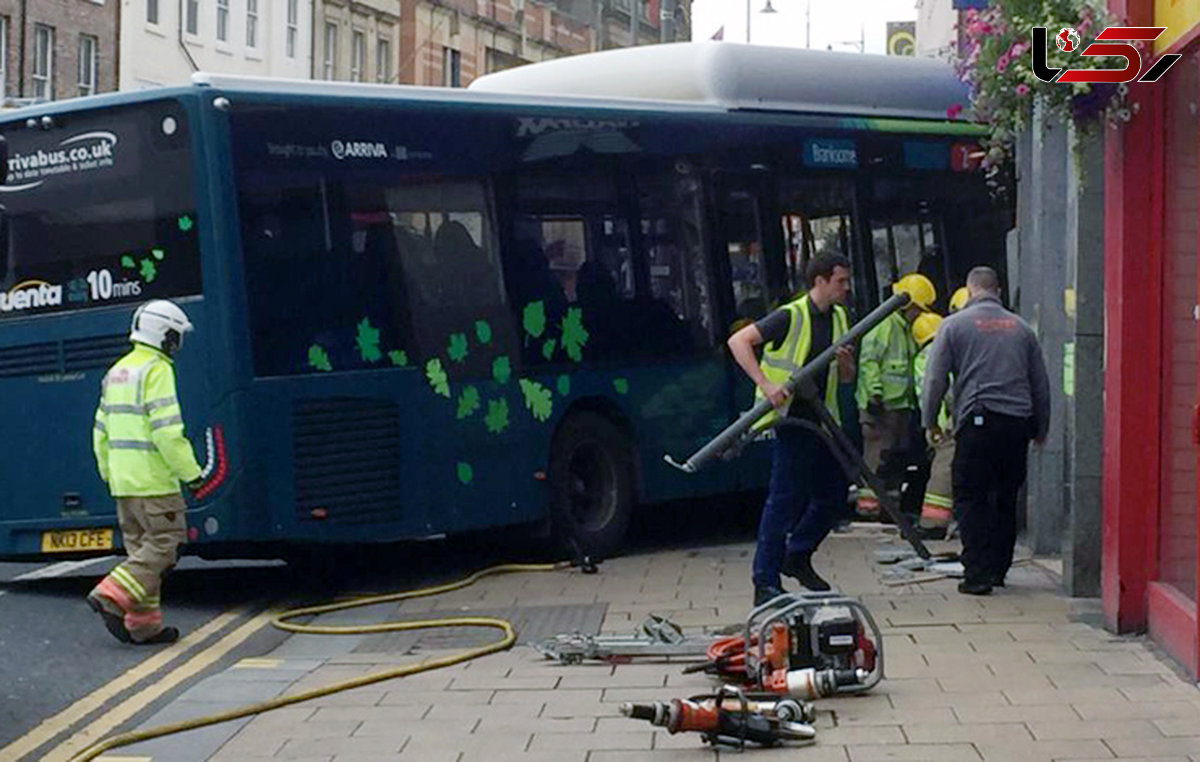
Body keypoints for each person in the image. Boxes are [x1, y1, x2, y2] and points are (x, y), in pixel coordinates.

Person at [727, 254, 855, 605]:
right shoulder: (791, 315)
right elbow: (738, 342)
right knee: (783, 501)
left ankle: (796, 555)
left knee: (833, 495)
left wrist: (846, 365)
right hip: (790, 420)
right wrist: (765, 384)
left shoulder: (841, 317)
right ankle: (764, 582)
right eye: (840, 281)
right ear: (820, 281)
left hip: (821, 421)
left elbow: (845, 379)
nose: (846, 287)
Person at [922, 267, 1051, 595]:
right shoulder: (1022, 329)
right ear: (998, 292)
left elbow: (935, 379)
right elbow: (1040, 384)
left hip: (977, 422)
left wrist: (930, 421)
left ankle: (977, 574)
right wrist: (1041, 426)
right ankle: (998, 569)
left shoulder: (953, 326)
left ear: (969, 291)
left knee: (970, 497)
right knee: (1005, 498)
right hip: (1016, 425)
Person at [87, 300, 205, 644]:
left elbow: (100, 432)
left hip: (125, 484)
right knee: (166, 545)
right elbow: (167, 431)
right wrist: (192, 474)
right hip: (155, 481)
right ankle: (111, 592)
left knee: (142, 551)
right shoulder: (156, 369)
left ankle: (143, 624)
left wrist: (112, 474)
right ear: (164, 334)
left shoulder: (118, 370)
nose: (177, 344)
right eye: (176, 336)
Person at [853, 273, 936, 517]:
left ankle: (889, 507)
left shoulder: (902, 328)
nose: (919, 315)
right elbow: (869, 361)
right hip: (880, 405)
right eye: (918, 310)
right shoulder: (883, 325)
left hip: (898, 405)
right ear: (906, 305)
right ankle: (869, 510)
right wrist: (874, 394)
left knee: (894, 459)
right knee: (877, 458)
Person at [911, 312, 953, 536]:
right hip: (960, 418)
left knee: (942, 471)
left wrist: (933, 426)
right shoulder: (951, 350)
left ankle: (933, 524)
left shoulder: (923, 358)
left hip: (944, 424)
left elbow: (929, 394)